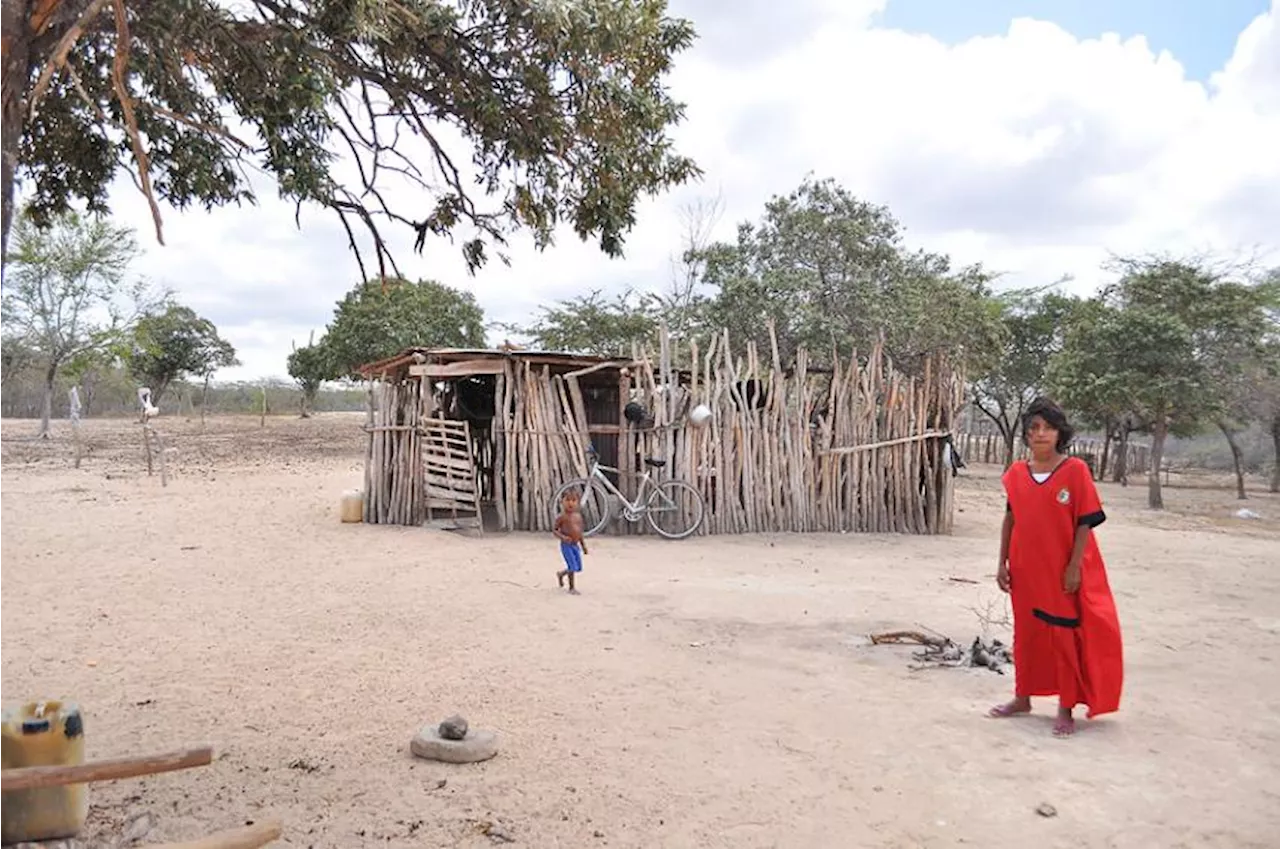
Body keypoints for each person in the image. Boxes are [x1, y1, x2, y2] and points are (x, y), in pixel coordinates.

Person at [988, 397, 1124, 737]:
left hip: (1060, 570)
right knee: (1026, 634)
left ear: (1059, 433)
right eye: (1034, 428)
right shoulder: (1017, 473)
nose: (1040, 434)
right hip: (1025, 569)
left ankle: (1065, 707)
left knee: (1062, 635)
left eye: (1047, 428)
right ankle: (1023, 698)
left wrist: (1074, 566)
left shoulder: (1074, 471)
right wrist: (1002, 561)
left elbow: (1084, 523)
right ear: (1026, 434)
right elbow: (1011, 518)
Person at [554, 489, 589, 594]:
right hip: (566, 545)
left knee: (577, 566)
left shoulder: (578, 517)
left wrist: (583, 546)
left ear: (577, 502)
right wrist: (563, 537)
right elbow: (554, 530)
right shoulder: (562, 517)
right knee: (572, 566)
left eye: (573, 500)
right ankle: (571, 588)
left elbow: (580, 532)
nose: (570, 503)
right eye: (567, 500)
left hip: (575, 545)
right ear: (562, 502)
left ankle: (561, 574)